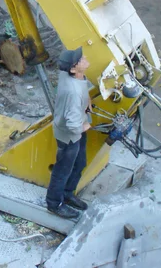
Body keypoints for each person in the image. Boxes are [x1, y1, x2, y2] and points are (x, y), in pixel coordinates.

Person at [45, 47, 91, 219]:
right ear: (73, 68)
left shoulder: (70, 75)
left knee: (79, 164)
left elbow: (81, 87)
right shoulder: (72, 92)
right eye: (80, 60)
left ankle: (68, 193)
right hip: (69, 136)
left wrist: (87, 102)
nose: (85, 58)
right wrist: (84, 127)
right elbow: (72, 124)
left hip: (77, 129)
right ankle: (54, 203)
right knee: (62, 170)